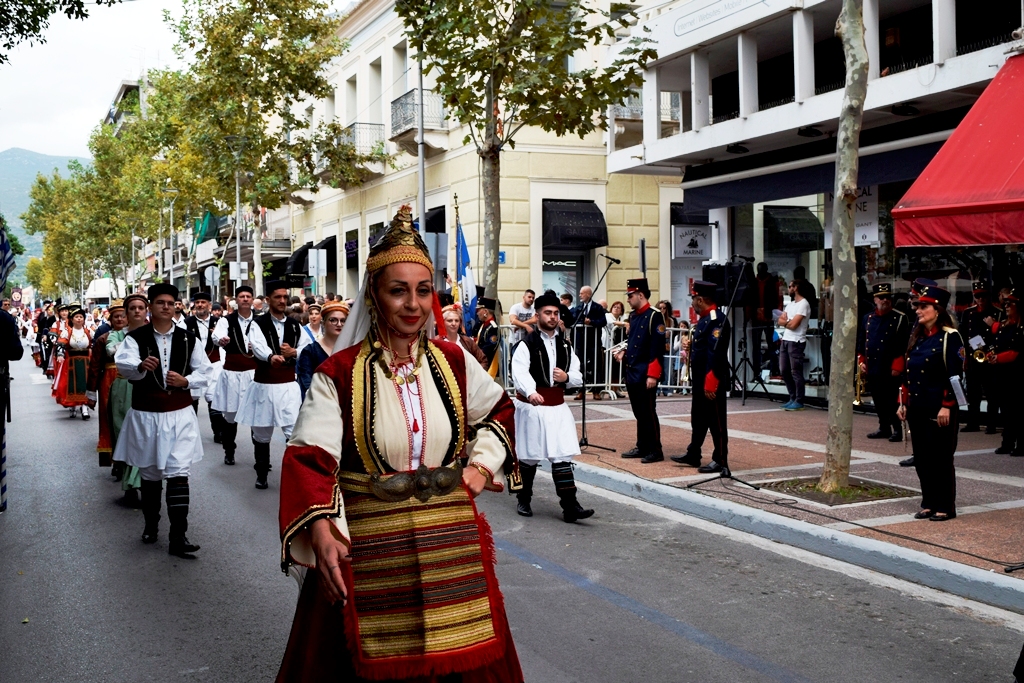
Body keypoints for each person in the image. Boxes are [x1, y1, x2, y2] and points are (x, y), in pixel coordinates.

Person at [275, 205, 523, 681]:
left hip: (450, 544)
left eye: (423, 291)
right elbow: (309, 458)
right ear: (374, 296)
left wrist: (479, 469)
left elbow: (498, 410)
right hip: (368, 547)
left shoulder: (453, 360)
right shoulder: (340, 372)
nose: (413, 304)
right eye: (398, 291)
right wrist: (323, 530)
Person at [112, 284, 214, 556]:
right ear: (151, 306)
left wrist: (186, 381)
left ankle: (178, 536)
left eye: (170, 302)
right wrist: (139, 367)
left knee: (179, 473)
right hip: (146, 416)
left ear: (176, 306)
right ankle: (151, 525)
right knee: (151, 474)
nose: (166, 307)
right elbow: (124, 366)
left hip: (180, 415)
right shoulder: (135, 338)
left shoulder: (188, 338)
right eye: (160, 303)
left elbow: (205, 371)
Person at [511, 292, 594, 522]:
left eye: (556, 313)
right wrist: (531, 392)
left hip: (557, 407)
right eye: (548, 313)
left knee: (561, 456)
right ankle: (523, 498)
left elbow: (578, 375)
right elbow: (519, 372)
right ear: (537, 315)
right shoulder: (526, 344)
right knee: (529, 456)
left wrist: (567, 377)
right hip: (532, 407)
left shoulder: (565, 345)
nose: (553, 317)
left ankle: (570, 506)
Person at [896, 283, 963, 522]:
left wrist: (948, 405)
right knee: (922, 458)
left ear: (937, 310)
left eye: (924, 307)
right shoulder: (917, 338)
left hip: (940, 408)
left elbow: (955, 376)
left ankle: (945, 505)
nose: (918, 311)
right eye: (918, 306)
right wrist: (902, 402)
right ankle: (929, 502)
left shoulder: (950, 337)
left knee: (941, 458)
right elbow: (907, 375)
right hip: (917, 406)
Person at [236, 280, 306, 490]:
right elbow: (257, 345)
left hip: (288, 386)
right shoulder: (257, 323)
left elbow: (307, 346)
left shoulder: (295, 325)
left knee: (293, 432)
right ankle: (262, 471)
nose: (283, 301)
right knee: (262, 432)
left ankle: (293, 474)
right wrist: (269, 357)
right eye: (278, 297)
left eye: (285, 297)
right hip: (265, 384)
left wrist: (295, 352)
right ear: (268, 300)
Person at [673, 281, 731, 473]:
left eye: (693, 299)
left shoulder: (717, 320)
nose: (692, 304)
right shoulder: (705, 319)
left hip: (710, 379)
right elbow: (704, 348)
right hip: (699, 378)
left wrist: (711, 382)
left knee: (716, 421)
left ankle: (721, 459)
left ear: (700, 300)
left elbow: (715, 354)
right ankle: (693, 453)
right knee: (698, 419)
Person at [614, 278, 665, 464]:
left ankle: (655, 449)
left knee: (648, 411)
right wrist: (624, 352)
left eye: (630, 295)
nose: (628, 299)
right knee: (639, 412)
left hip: (646, 373)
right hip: (633, 370)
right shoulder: (634, 316)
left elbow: (657, 347)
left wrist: (653, 374)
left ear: (640, 295)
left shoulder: (654, 315)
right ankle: (642, 445)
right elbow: (636, 343)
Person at [107, 293, 149, 499]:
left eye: (141, 307)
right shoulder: (117, 336)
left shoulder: (155, 333)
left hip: (147, 385)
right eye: (132, 308)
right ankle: (129, 483)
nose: (137, 311)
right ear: (126, 313)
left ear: (146, 310)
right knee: (123, 433)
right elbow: (111, 352)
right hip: (123, 388)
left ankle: (141, 480)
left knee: (144, 434)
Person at [211, 286, 257, 466]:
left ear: (252, 299)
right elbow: (216, 336)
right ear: (236, 300)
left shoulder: (260, 321)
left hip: (254, 373)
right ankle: (229, 450)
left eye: (248, 296)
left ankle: (260, 457)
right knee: (230, 416)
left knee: (256, 416)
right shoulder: (226, 320)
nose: (245, 299)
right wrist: (221, 340)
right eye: (241, 296)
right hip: (232, 373)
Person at [857, 283, 910, 441]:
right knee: (878, 399)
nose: (885, 300)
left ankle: (897, 429)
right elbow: (862, 341)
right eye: (881, 297)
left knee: (892, 399)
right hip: (873, 364)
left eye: (887, 297)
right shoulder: (867, 318)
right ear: (875, 299)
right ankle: (884, 427)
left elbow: (903, 344)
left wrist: (898, 365)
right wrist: (861, 360)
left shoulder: (900, 318)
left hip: (890, 365)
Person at [86, 301, 127, 466]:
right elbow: (94, 367)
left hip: (130, 380)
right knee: (109, 418)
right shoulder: (103, 338)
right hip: (108, 381)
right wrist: (91, 394)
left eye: (122, 316)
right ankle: (113, 458)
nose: (119, 319)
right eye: (116, 316)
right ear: (111, 319)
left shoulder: (136, 336)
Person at [959, 281, 1001, 434]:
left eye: (983, 296)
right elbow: (962, 336)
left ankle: (991, 424)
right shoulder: (968, 313)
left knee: (991, 393)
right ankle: (973, 422)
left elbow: (1001, 339)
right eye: (978, 296)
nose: (981, 300)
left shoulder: (997, 312)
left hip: (989, 358)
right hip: (972, 358)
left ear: (988, 296)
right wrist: (963, 358)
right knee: (973, 393)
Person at [185, 292, 225, 443]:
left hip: (214, 364)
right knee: (192, 398)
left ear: (209, 304)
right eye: (198, 302)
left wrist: (219, 337)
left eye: (203, 302)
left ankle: (218, 432)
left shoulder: (219, 322)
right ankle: (190, 432)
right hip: (194, 366)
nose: (200, 305)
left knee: (213, 397)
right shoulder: (186, 322)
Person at [988, 289, 1022, 457]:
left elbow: (1016, 351)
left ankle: (1020, 444)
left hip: (1016, 374)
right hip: (1002, 373)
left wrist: (998, 358)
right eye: (1006, 304)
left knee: (1018, 410)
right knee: (1007, 410)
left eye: (1010, 304)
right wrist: (990, 354)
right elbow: (996, 345)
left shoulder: (1020, 326)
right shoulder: (1004, 325)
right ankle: (1007, 442)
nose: (1007, 307)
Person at [297, 301, 346, 400]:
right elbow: (307, 380)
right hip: (320, 402)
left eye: (343, 320)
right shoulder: (310, 351)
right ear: (323, 323)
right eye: (333, 320)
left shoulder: (349, 349)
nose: (339, 324)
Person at [778, 279, 812, 410]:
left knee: (795, 372)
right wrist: (787, 322)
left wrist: (786, 322)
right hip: (786, 339)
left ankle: (799, 400)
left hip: (796, 341)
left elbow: (793, 325)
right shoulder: (791, 304)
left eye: (791, 286)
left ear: (796, 288)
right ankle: (792, 397)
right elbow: (781, 320)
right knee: (784, 370)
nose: (789, 288)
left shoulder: (803, 304)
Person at [53, 307, 92, 419]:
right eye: (76, 317)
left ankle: (85, 408)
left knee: (86, 384)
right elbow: (61, 343)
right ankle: (73, 407)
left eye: (81, 317)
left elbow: (94, 343)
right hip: (72, 363)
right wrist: (60, 355)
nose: (79, 319)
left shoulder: (88, 331)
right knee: (72, 384)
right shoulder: (67, 331)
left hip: (86, 362)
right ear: (72, 319)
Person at [747, 262, 783, 377]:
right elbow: (749, 301)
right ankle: (756, 371)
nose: (760, 272)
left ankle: (774, 369)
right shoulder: (753, 282)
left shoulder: (773, 282)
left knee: (771, 345)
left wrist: (778, 314)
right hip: (756, 318)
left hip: (768, 317)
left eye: (762, 270)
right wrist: (748, 316)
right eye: (759, 270)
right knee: (756, 346)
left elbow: (779, 298)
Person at [572, 286, 607, 400]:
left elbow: (603, 321)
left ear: (588, 294)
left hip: (593, 341)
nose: (580, 295)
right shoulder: (578, 308)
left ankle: (596, 390)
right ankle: (581, 390)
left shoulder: (597, 307)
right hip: (581, 341)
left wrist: (591, 322)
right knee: (580, 365)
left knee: (595, 365)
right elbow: (572, 319)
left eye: (582, 293)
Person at [437, 303, 488, 368]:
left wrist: (475, 375)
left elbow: (483, 360)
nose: (453, 323)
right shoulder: (436, 342)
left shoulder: (467, 342)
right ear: (443, 322)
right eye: (449, 321)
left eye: (456, 321)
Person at [475, 296, 500, 369]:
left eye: (478, 310)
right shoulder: (484, 324)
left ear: (485, 312)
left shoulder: (493, 328)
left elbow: (488, 349)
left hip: (488, 364)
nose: (477, 313)